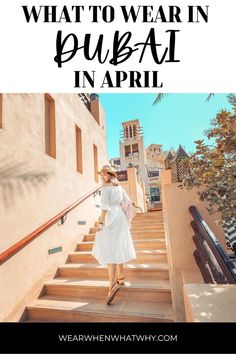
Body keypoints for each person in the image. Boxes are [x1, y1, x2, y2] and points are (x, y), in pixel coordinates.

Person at [92, 165, 137, 305]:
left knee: (110, 250)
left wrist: (100, 222)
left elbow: (104, 208)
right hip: (121, 218)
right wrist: (124, 215)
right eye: (102, 175)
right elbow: (128, 202)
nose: (102, 177)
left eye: (104, 174)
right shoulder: (119, 187)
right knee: (119, 246)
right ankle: (121, 277)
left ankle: (111, 286)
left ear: (109, 175)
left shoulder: (105, 189)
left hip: (110, 218)